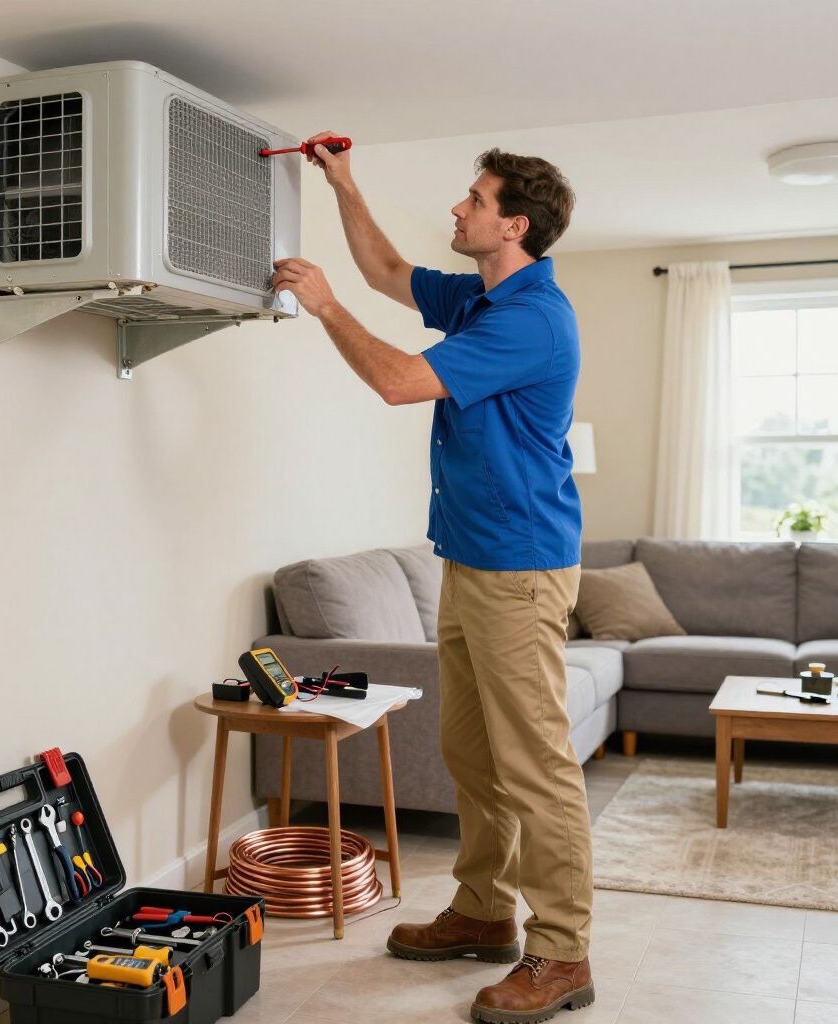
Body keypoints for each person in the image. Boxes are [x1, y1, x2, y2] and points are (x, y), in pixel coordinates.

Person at [271, 134, 593, 1024]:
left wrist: (325, 309)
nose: (459, 208)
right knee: (473, 754)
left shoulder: (530, 318)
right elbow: (387, 272)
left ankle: (562, 954)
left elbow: (399, 381)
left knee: (536, 767)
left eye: (474, 200)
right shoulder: (486, 299)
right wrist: (344, 184)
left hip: (521, 572)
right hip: (472, 560)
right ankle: (486, 913)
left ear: (513, 224)